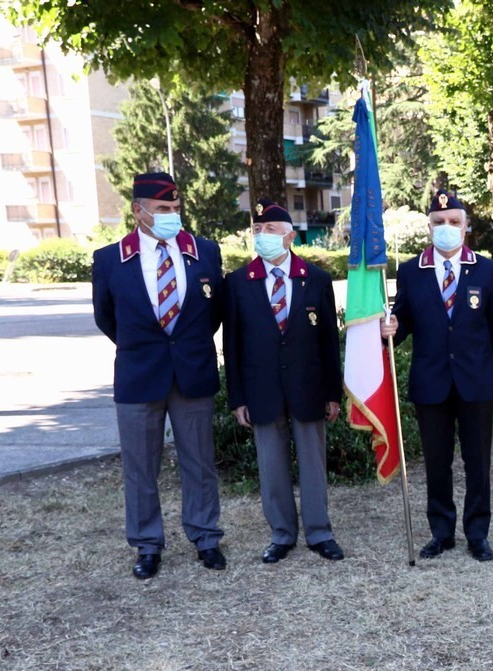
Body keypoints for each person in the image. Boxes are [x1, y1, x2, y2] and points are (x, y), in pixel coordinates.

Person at [92, 172, 226, 579]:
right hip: (139, 377)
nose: (172, 216)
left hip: (192, 373)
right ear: (139, 210)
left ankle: (205, 537)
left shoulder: (204, 252)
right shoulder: (110, 259)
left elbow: (213, 312)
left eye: (176, 208)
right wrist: (146, 349)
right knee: (140, 467)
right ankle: (147, 544)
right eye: (163, 209)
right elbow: (106, 318)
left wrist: (183, 346)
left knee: (200, 462)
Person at [379, 192, 493, 562]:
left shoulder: (485, 269)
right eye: (439, 222)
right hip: (431, 382)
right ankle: (441, 531)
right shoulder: (411, 270)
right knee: (437, 463)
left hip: (478, 382)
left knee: (477, 462)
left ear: (467, 227)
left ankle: (477, 533)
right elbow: (402, 320)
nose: (447, 228)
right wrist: (390, 328)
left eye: (454, 222)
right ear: (429, 228)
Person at [223, 200, 345, 564]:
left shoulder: (317, 279)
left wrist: (332, 393)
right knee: (272, 467)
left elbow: (328, 341)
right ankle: (281, 534)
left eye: (271, 230)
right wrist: (237, 398)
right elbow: (232, 346)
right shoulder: (238, 283)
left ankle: (319, 532)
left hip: (308, 388)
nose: (262, 236)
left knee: (312, 463)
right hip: (261, 391)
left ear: (290, 236)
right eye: (257, 230)